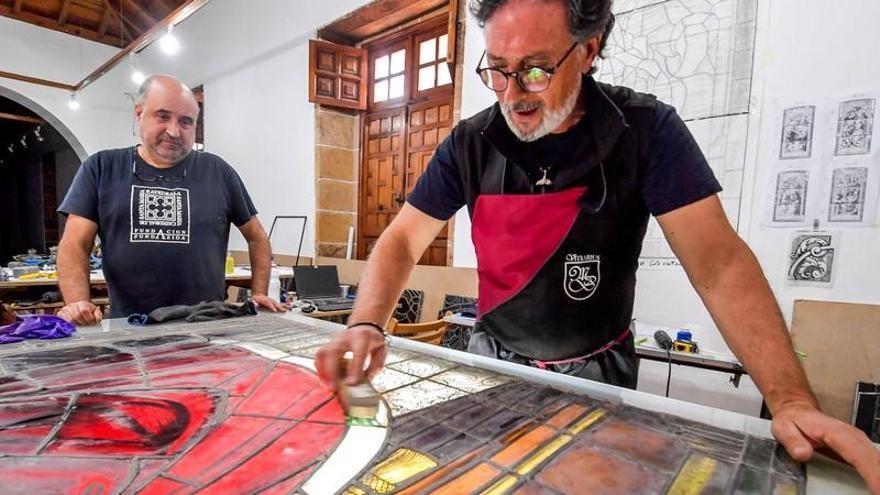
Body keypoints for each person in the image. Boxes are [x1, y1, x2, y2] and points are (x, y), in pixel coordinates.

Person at [315, 0, 880, 488]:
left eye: (536, 70)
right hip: (490, 361)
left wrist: (791, 400)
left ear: (589, 50)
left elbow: (720, 265)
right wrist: (366, 323)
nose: (514, 95)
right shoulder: (470, 143)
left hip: (598, 372)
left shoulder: (646, 131)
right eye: (499, 70)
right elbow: (402, 241)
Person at [57, 75, 284, 325]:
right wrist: (77, 301)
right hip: (132, 325)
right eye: (163, 116)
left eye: (186, 122)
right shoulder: (101, 168)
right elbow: (75, 244)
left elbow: (257, 237)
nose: (174, 131)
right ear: (139, 113)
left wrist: (260, 292)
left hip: (208, 323)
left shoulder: (217, 171)